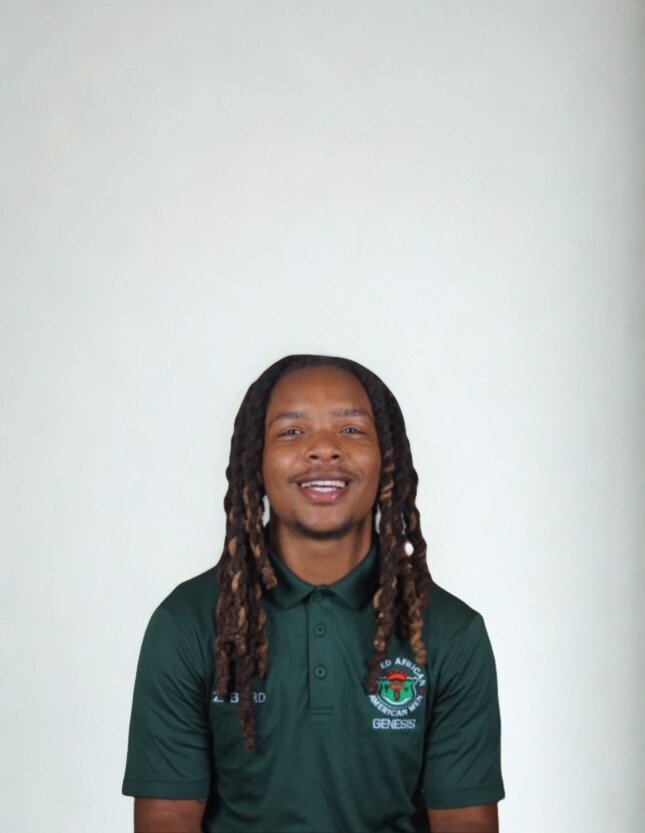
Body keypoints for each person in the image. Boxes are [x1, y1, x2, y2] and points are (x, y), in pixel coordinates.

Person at [122, 354, 505, 833]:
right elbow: (168, 814)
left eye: (350, 431)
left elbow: (465, 818)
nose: (324, 450)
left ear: (386, 458)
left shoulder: (450, 631)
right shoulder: (189, 621)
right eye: (291, 432)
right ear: (256, 461)